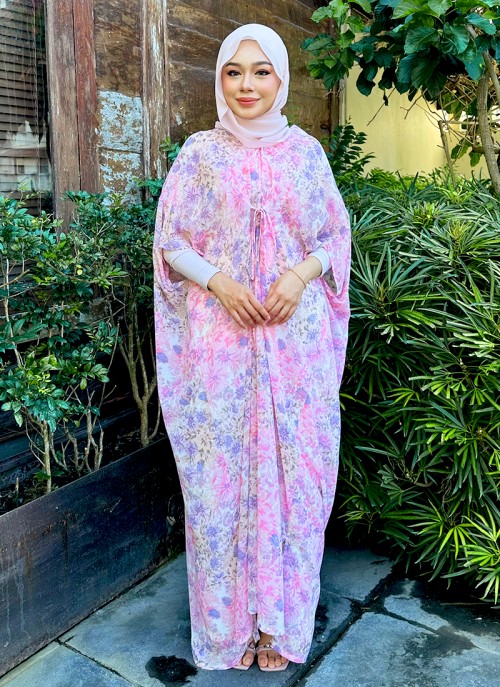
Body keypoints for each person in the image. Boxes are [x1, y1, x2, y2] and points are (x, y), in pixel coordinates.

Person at [153, 23, 351, 673]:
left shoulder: (306, 156)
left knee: (296, 485)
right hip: (220, 349)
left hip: (294, 352)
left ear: (281, 78)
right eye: (234, 71)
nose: (246, 84)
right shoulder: (200, 155)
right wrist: (219, 280)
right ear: (220, 79)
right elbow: (171, 241)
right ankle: (229, 627)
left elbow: (335, 235)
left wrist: (299, 275)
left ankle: (279, 626)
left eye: (261, 71)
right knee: (219, 488)